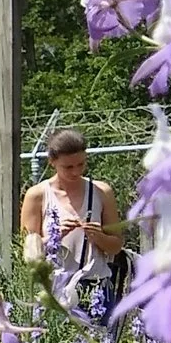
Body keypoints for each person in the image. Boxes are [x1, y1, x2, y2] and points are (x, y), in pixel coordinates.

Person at [22, 126, 125, 319]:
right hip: (54, 288)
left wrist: (99, 237)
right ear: (52, 162)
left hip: (96, 287)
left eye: (81, 164)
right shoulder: (37, 195)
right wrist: (54, 237)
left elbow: (116, 246)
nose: (76, 171)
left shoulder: (101, 191)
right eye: (68, 167)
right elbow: (27, 251)